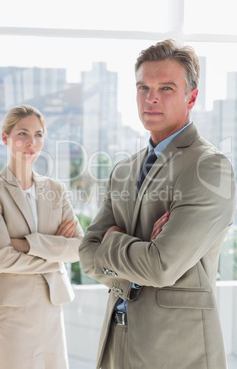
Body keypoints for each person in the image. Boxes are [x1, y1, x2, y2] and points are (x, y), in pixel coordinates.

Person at [79, 39, 236, 369]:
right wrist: (141, 251)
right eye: (143, 87)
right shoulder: (124, 170)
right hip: (115, 348)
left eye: (166, 88)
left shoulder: (208, 167)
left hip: (176, 351)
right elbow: (86, 254)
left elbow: (162, 266)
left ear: (191, 96)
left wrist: (114, 242)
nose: (151, 97)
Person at [0, 104, 84, 369]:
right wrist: (55, 253)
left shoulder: (55, 189)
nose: (31, 142)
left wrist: (27, 244)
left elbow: (79, 247)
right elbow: (2, 259)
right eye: (23, 134)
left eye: (38, 135)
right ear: (6, 138)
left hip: (50, 305)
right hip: (10, 308)